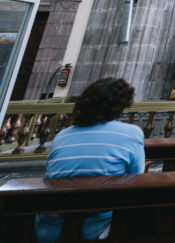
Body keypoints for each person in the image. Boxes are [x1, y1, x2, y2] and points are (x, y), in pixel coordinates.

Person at [35, 78, 145, 242]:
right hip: (95, 229)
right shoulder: (131, 133)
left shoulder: (62, 135)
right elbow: (136, 179)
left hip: (47, 229)